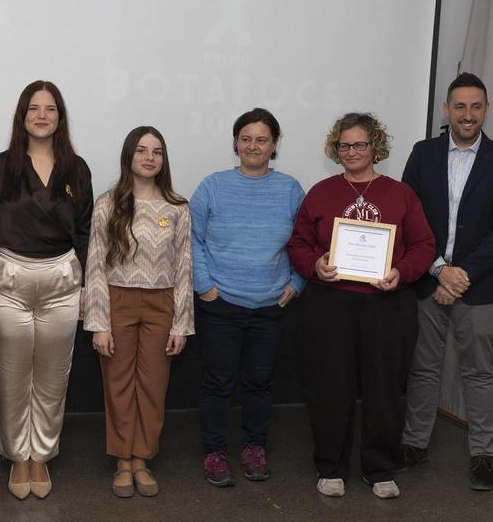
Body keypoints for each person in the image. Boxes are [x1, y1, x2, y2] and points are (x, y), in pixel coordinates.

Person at [287, 112, 435, 499]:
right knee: (330, 388)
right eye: (344, 145)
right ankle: (331, 467)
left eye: (360, 144)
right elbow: (299, 244)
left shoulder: (400, 193)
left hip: (387, 305)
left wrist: (400, 273)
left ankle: (380, 468)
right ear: (336, 150)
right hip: (330, 306)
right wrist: (315, 264)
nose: (352, 151)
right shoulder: (320, 192)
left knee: (384, 389)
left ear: (375, 147)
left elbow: (423, 245)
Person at [400, 73, 493, 491]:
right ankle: (414, 444)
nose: (467, 115)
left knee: (479, 372)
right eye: (460, 106)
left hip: (479, 286)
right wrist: (437, 269)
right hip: (428, 280)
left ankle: (482, 455)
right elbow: (407, 218)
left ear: (486, 110)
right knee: (423, 367)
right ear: (447, 110)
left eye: (475, 106)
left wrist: (460, 275)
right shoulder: (422, 153)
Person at [0, 80, 92, 500]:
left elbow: (85, 231)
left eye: (50, 109)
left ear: (60, 118)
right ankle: (17, 456)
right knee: (10, 375)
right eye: (33, 108)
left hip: (63, 280)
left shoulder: (76, 169)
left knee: (51, 375)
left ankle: (40, 456)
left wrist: (86, 286)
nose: (41, 115)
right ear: (21, 116)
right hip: (8, 277)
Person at [191, 108, 305, 487]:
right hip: (221, 304)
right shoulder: (212, 186)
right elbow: (191, 239)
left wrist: (297, 283)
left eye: (262, 139)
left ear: (274, 146)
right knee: (218, 382)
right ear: (236, 143)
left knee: (260, 382)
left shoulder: (290, 189)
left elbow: (306, 242)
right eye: (246, 138)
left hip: (271, 305)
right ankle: (215, 451)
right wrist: (205, 286)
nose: (253, 146)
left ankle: (255, 447)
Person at [84, 126, 192, 498]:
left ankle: (142, 459)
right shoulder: (108, 202)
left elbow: (184, 267)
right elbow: (95, 265)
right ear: (129, 155)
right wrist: (99, 323)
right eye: (142, 150)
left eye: (157, 151)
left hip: (162, 305)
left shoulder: (177, 207)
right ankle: (122, 461)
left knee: (152, 384)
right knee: (117, 384)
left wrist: (181, 324)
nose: (150, 158)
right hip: (117, 301)